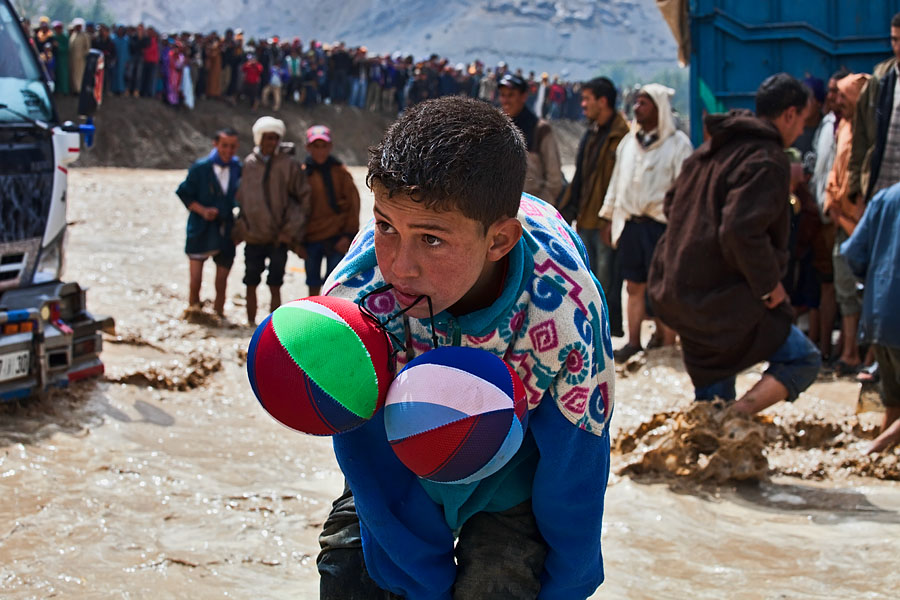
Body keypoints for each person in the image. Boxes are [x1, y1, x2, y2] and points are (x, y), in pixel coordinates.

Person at [316, 96, 614, 599]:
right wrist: (422, 582)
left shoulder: (566, 315)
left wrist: (566, 586)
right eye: (385, 226)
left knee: (500, 585)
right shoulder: (358, 299)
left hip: (514, 471)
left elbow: (575, 471)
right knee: (351, 570)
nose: (400, 267)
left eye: (431, 239)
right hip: (398, 456)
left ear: (499, 241)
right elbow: (366, 457)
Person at [647, 73, 821, 413]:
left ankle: (717, 429)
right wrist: (771, 287)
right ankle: (733, 420)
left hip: (679, 291)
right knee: (803, 359)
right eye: (801, 120)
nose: (801, 130)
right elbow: (740, 231)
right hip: (721, 299)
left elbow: (671, 204)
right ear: (789, 114)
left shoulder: (711, 149)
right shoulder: (768, 159)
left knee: (710, 403)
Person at [600, 84, 693, 362]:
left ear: (660, 109)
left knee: (663, 287)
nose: (637, 108)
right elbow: (618, 182)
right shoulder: (629, 144)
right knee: (633, 285)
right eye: (637, 103)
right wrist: (609, 217)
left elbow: (685, 191)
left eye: (644, 103)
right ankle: (633, 341)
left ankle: (667, 341)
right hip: (632, 223)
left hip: (662, 226)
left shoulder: (678, 145)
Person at [557, 76, 630, 337]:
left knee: (607, 281)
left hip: (607, 221)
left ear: (603, 101)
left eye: (588, 99)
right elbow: (581, 179)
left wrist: (614, 219)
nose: (584, 105)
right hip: (586, 218)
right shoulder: (592, 133)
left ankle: (607, 335)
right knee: (588, 281)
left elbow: (624, 183)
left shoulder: (623, 137)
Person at [840, 181, 900, 453]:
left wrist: (876, 282)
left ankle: (880, 454)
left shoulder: (885, 197)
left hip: (878, 312)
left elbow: (852, 252)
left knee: (893, 400)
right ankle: (877, 447)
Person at [232, 117, 311, 324]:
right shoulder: (249, 164)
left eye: (275, 138)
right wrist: (242, 228)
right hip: (253, 235)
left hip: (279, 237)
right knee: (250, 282)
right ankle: (251, 326)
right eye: (267, 138)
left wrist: (290, 231)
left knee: (275, 283)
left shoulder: (289, 165)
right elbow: (243, 199)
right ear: (259, 138)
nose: (271, 142)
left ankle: (272, 327)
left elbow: (303, 199)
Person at [824, 73, 870, 376]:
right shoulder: (844, 129)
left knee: (868, 291)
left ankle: (864, 357)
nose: (837, 101)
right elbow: (835, 173)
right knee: (846, 290)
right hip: (843, 219)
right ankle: (851, 352)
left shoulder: (869, 133)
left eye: (843, 96)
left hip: (861, 221)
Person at [175, 128, 241, 318]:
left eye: (232, 147)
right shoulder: (200, 168)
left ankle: (218, 315)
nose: (228, 151)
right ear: (216, 144)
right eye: (224, 146)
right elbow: (183, 193)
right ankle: (193, 311)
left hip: (226, 228)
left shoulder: (238, 168)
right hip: (200, 227)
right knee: (195, 279)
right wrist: (203, 211)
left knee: (222, 280)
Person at [301, 125, 360, 296]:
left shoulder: (340, 172)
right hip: (311, 238)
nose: (320, 151)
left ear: (330, 147)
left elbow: (353, 205)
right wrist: (296, 241)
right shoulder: (303, 174)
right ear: (308, 148)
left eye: (323, 146)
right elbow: (295, 209)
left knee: (333, 286)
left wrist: (348, 235)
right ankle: (312, 318)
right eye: (315, 146)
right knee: (312, 283)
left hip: (337, 238)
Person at [497, 73, 565, 205]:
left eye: (511, 95)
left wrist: (538, 208)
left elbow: (554, 180)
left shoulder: (540, 129)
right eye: (503, 95)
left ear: (523, 97)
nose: (505, 100)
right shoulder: (498, 128)